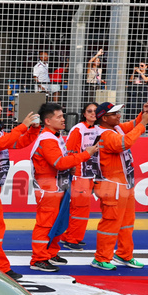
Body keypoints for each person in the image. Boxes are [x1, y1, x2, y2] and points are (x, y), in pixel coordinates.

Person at [30, 102, 100, 272]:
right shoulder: (47, 139)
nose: (63, 119)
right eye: (59, 117)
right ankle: (39, 258)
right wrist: (85, 154)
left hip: (57, 186)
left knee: (57, 222)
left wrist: (73, 158)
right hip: (48, 188)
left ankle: (50, 252)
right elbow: (59, 163)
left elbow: (63, 158)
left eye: (62, 116)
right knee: (46, 223)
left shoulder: (55, 136)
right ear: (47, 121)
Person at [0, 93, 38, 279]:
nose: (1, 108)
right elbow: (1, 144)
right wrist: (24, 126)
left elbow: (19, 143)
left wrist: (34, 129)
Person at [91, 100, 148, 270]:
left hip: (124, 185)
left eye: (118, 112)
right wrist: (143, 124)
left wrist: (144, 113)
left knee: (127, 223)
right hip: (112, 186)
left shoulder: (114, 128)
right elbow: (124, 143)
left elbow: (132, 124)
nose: (119, 116)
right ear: (104, 118)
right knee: (110, 224)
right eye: (114, 114)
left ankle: (124, 254)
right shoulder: (106, 134)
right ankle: (101, 258)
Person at [61, 102, 102, 251]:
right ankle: (72, 238)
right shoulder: (78, 129)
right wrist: (71, 167)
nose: (92, 113)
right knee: (80, 208)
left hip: (90, 173)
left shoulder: (98, 129)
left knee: (79, 208)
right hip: (79, 173)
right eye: (89, 111)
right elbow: (70, 150)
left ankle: (69, 236)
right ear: (84, 114)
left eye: (95, 111)